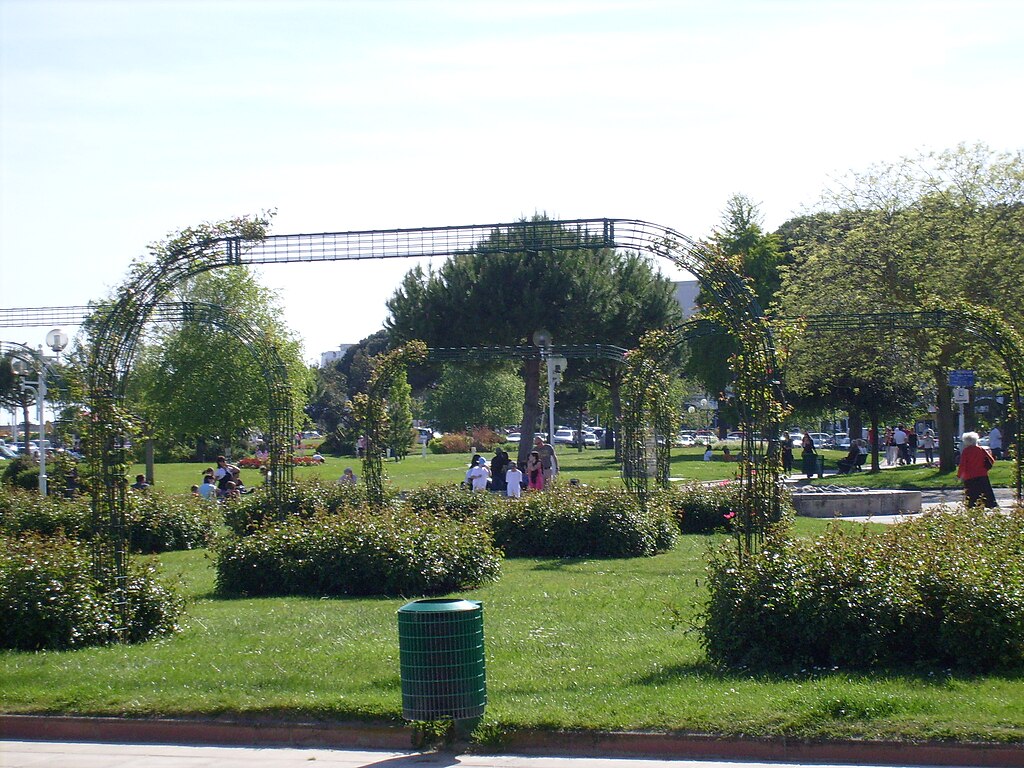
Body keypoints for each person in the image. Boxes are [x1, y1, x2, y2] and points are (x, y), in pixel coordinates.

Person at [957, 431, 997, 508]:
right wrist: (986, 468)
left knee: (972, 495)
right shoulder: (981, 449)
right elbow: (991, 460)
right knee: (984, 493)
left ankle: (973, 507)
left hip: (970, 477)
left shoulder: (966, 451)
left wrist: (960, 475)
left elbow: (963, 464)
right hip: (982, 475)